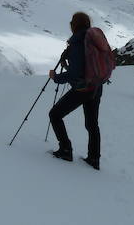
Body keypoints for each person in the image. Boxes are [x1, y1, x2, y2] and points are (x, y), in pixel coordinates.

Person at [48, 12, 102, 170]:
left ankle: (65, 149)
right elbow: (86, 67)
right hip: (97, 86)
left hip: (82, 89)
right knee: (92, 125)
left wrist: (56, 77)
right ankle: (94, 159)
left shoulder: (78, 43)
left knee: (55, 114)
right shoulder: (93, 39)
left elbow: (76, 74)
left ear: (75, 25)